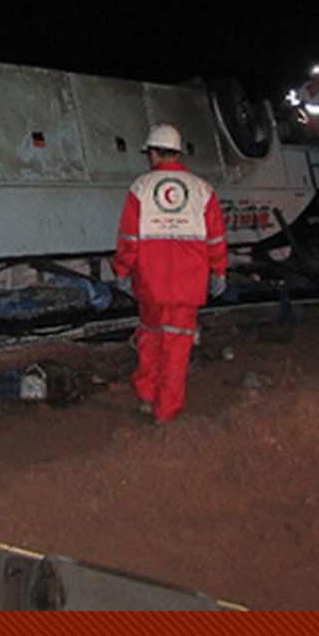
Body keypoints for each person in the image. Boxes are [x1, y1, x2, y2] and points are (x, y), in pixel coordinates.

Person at [112, 124, 228, 423]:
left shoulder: (140, 187)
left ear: (152, 152)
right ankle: (167, 411)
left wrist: (122, 271)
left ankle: (147, 397)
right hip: (188, 284)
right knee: (176, 347)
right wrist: (219, 271)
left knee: (149, 339)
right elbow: (215, 238)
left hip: (149, 282)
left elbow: (128, 238)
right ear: (177, 151)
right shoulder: (203, 189)